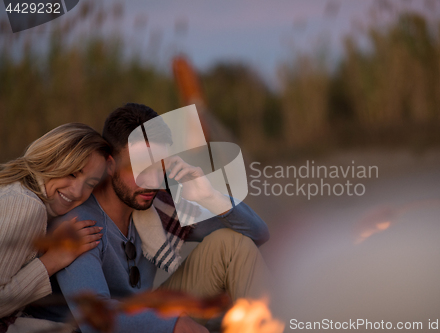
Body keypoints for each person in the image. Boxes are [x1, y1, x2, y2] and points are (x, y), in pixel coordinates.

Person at [27, 103, 270, 333]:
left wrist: (210, 196)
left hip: (149, 312)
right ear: (110, 165)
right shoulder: (78, 223)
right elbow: (95, 320)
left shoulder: (160, 206)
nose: (152, 181)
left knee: (232, 245)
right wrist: (173, 324)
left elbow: (258, 233)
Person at [0, 123, 111, 333]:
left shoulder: (20, 193)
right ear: (51, 160)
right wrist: (53, 259)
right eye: (72, 174)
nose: (78, 191)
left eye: (90, 183)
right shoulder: (26, 204)